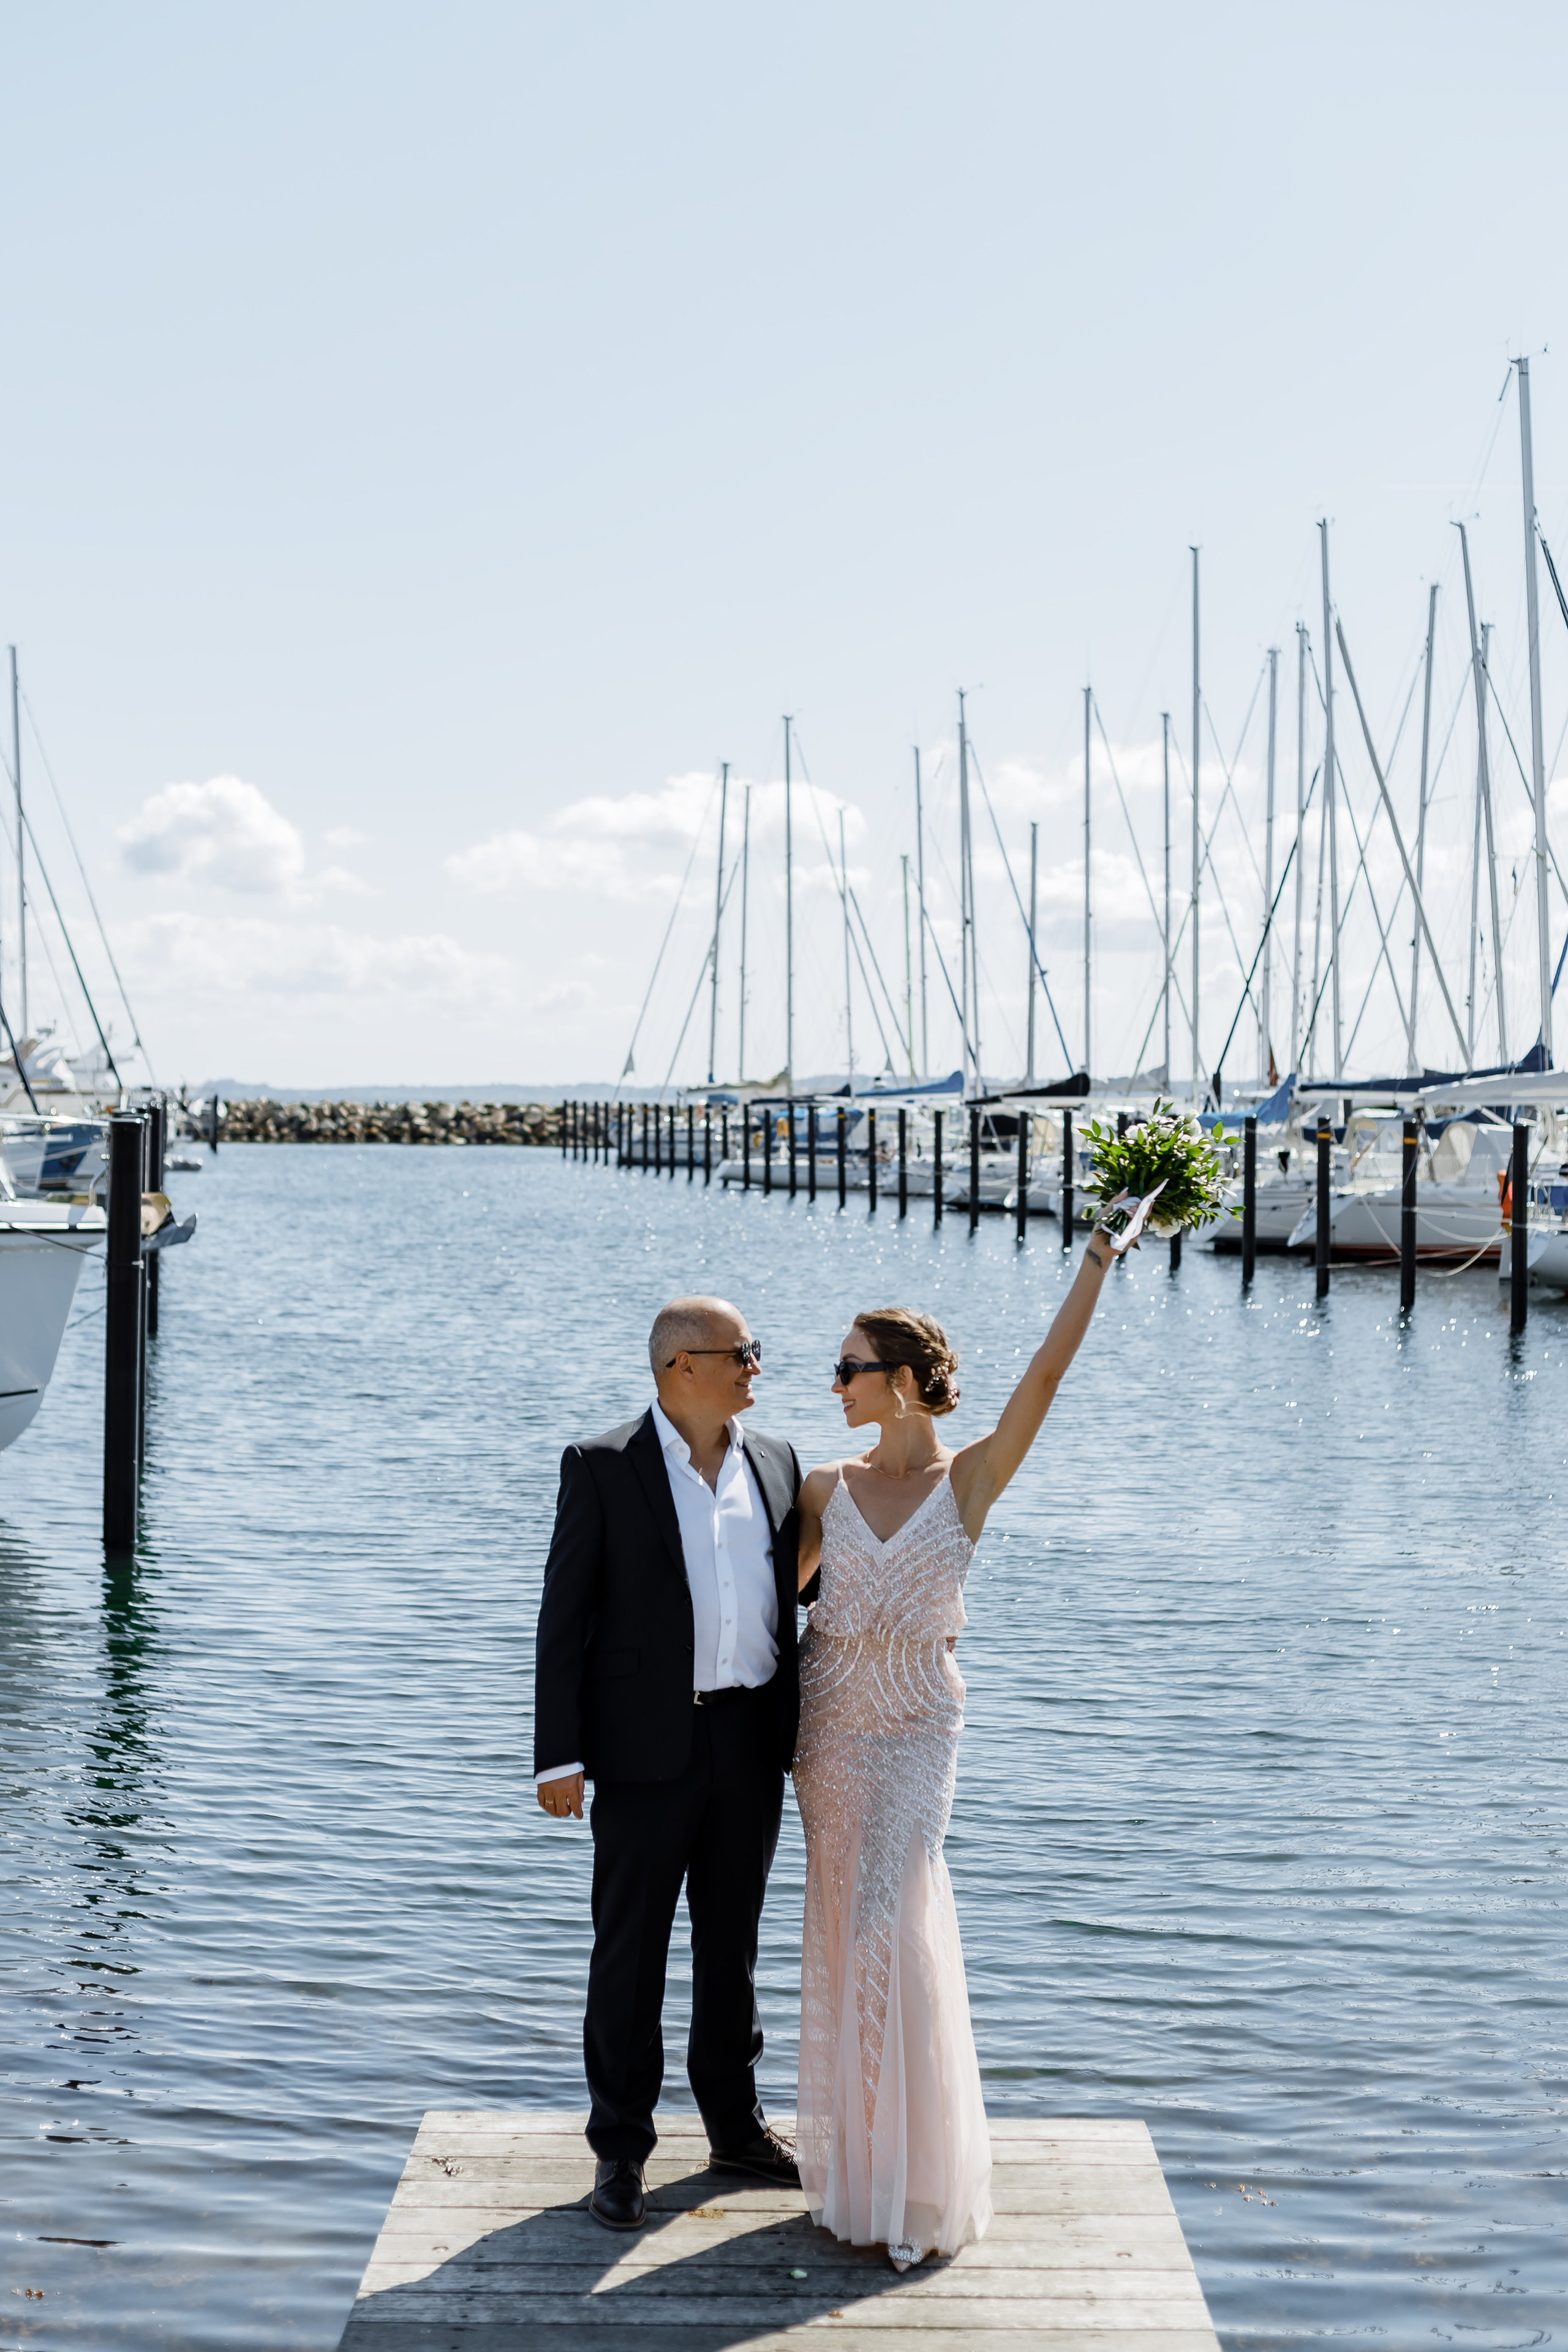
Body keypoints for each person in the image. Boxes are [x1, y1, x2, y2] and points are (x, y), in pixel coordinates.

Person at [792, 1194, 1155, 2271]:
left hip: (917, 1729)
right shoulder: (822, 1487)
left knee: (894, 1922)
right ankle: (860, 2171)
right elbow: (763, 1602)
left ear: (900, 1381)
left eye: (848, 1368)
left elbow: (1045, 1377)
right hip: (830, 1728)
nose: (835, 1384)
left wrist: (1098, 1256)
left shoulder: (971, 1482)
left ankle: (920, 2176)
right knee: (843, 1928)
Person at [534, 1293, 805, 2232]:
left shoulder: (775, 1461)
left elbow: (796, 1597)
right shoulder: (602, 1466)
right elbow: (562, 1622)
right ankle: (620, 2151)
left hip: (749, 1746)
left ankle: (734, 2125)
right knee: (630, 1956)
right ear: (681, 1365)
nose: (756, 1368)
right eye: (743, 1353)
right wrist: (557, 1757)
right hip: (644, 1755)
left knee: (731, 1951)